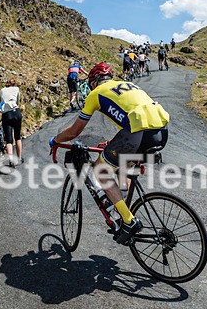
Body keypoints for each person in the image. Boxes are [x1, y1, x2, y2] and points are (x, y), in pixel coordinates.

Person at [49, 62, 170, 243]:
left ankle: (128, 221)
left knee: (100, 169)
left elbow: (74, 131)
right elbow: (131, 117)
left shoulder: (96, 93)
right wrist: (113, 143)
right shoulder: (126, 85)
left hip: (137, 133)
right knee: (123, 164)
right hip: (161, 131)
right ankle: (121, 208)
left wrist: (56, 140)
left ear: (93, 82)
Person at [0, 80, 23, 165]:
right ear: (14, 84)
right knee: (17, 137)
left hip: (7, 115)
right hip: (16, 112)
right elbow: (18, 101)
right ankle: (19, 158)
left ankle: (11, 160)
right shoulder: (17, 89)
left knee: (9, 140)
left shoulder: (2, 90)